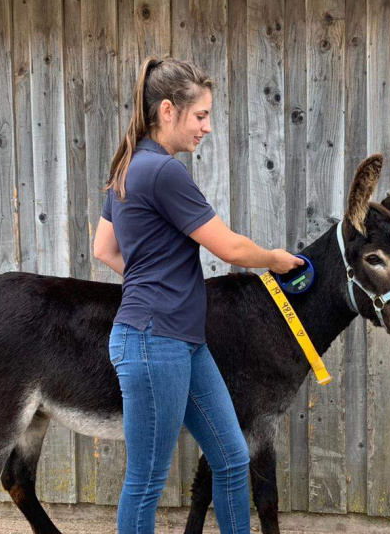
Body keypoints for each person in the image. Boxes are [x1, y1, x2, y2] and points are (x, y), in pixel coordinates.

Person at [93, 56, 304, 534]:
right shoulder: (163, 172)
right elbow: (228, 246)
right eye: (201, 115)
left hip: (181, 340)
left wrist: (152, 279)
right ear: (168, 110)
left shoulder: (129, 166)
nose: (207, 127)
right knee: (146, 481)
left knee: (231, 457)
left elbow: (103, 249)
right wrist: (274, 259)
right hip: (153, 344)